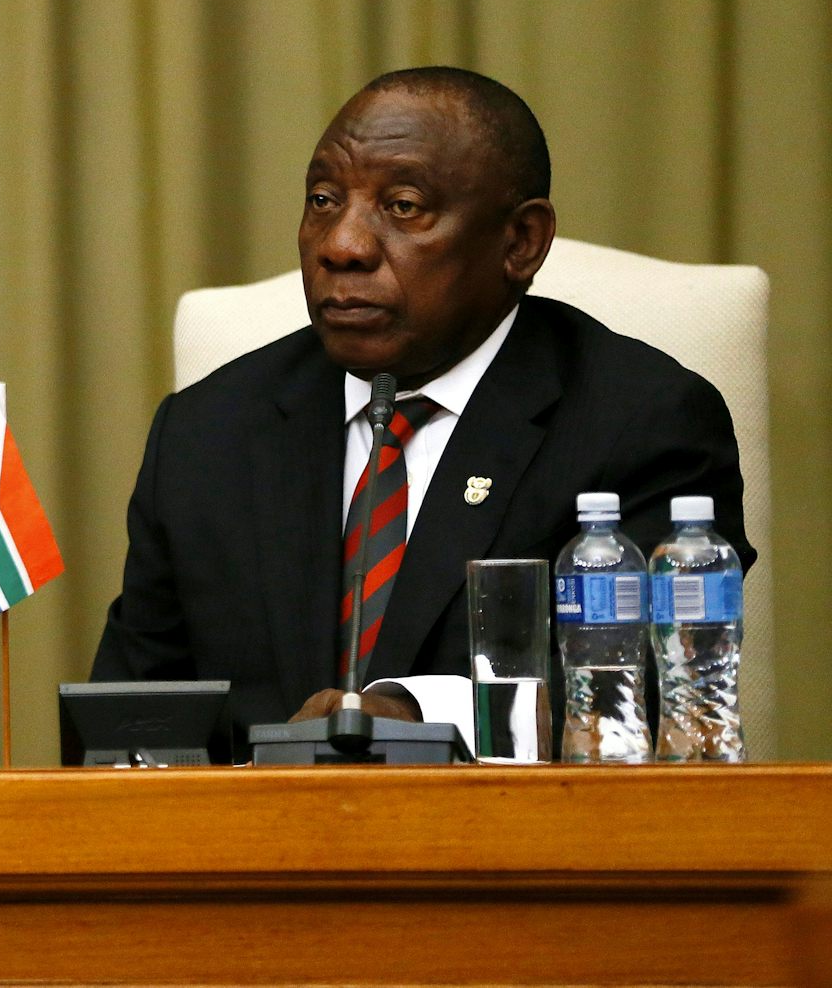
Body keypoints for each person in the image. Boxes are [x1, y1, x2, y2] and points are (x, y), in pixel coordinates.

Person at [91, 66, 755, 740]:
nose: (342, 245)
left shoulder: (642, 424)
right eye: (323, 200)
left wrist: (413, 719)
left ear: (521, 242)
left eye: (404, 205)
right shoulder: (207, 432)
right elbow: (134, 720)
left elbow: (639, 696)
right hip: (256, 841)